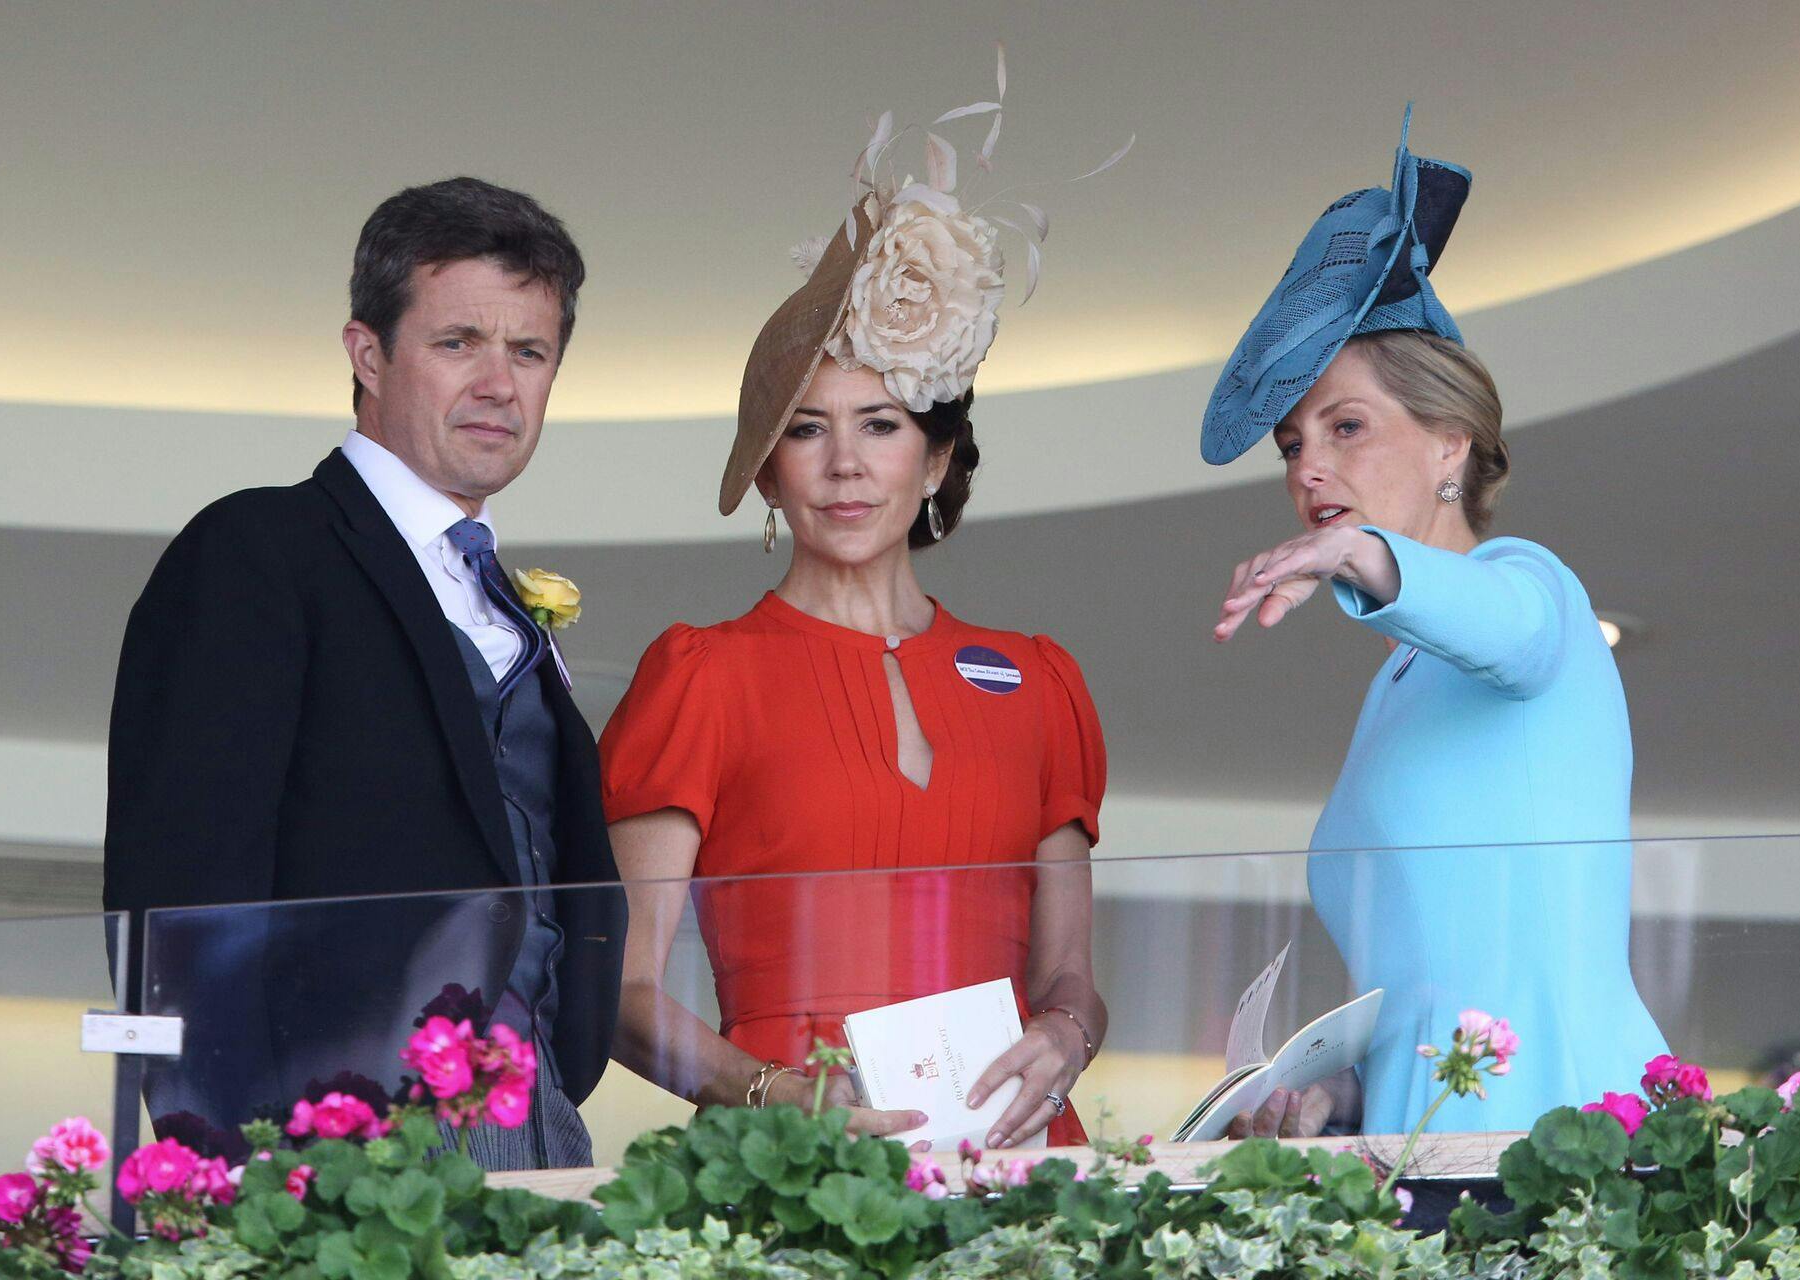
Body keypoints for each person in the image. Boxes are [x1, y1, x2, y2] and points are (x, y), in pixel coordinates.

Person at [598, 96, 1108, 1151]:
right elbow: (621, 992)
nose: (844, 464)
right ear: (769, 471)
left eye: (880, 426)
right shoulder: (699, 673)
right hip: (790, 1161)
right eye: (807, 430)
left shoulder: (1042, 678)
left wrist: (1064, 1034)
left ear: (934, 460)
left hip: (1013, 1160)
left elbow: (1072, 980)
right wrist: (778, 1095)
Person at [104, 177, 624, 1169]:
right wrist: (225, 1166)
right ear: (368, 352)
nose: (498, 383)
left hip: (538, 1118)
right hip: (331, 1139)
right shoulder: (259, 549)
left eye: (529, 351)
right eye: (457, 341)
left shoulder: (506, 599)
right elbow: (187, 893)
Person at [1204, 113, 1667, 1136]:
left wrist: (1359, 555)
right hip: (1427, 1145)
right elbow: (1426, 990)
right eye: (1291, 445)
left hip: (1564, 1129)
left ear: (1452, 444)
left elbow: (1510, 625)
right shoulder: (1395, 687)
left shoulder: (1527, 589)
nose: (1308, 468)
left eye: (1347, 427)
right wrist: (1332, 1096)